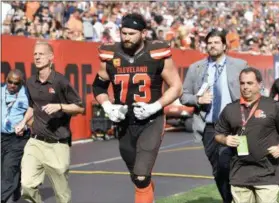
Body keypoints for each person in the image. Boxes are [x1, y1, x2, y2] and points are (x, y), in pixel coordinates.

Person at [92, 13, 182, 203]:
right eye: (124, 33)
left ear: (143, 33)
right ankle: (148, 191)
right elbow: (99, 86)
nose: (126, 37)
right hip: (125, 122)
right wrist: (108, 106)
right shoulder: (110, 54)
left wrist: (154, 106)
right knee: (137, 176)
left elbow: (176, 86)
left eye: (132, 33)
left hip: (151, 120)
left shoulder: (157, 52)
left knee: (141, 175)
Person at [180, 29, 247, 203]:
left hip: (237, 125)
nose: (212, 46)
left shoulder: (240, 65)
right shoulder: (196, 68)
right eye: (209, 43)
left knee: (240, 164)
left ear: (224, 46)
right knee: (219, 169)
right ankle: (230, 200)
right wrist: (197, 99)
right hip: (210, 127)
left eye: (216, 42)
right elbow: (183, 95)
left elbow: (256, 89)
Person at [15, 41, 85, 203]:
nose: (37, 57)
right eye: (35, 54)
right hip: (36, 142)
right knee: (26, 185)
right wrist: (24, 122)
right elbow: (32, 107)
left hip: (58, 144)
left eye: (41, 54)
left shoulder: (61, 81)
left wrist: (59, 106)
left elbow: (80, 108)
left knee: (62, 196)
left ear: (51, 58)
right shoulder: (31, 82)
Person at [215, 67, 279, 203]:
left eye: (250, 83)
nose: (245, 87)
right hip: (240, 173)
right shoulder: (230, 109)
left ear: (260, 84)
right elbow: (218, 134)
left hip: (268, 172)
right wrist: (225, 139)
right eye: (242, 83)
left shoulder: (273, 106)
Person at [1, 70, 30, 203]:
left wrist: (24, 125)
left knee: (9, 170)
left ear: (21, 83)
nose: (12, 85)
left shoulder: (27, 94)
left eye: (16, 83)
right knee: (8, 171)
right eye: (10, 82)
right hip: (2, 136)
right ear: (6, 79)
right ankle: (16, 196)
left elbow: (34, 113)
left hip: (17, 138)